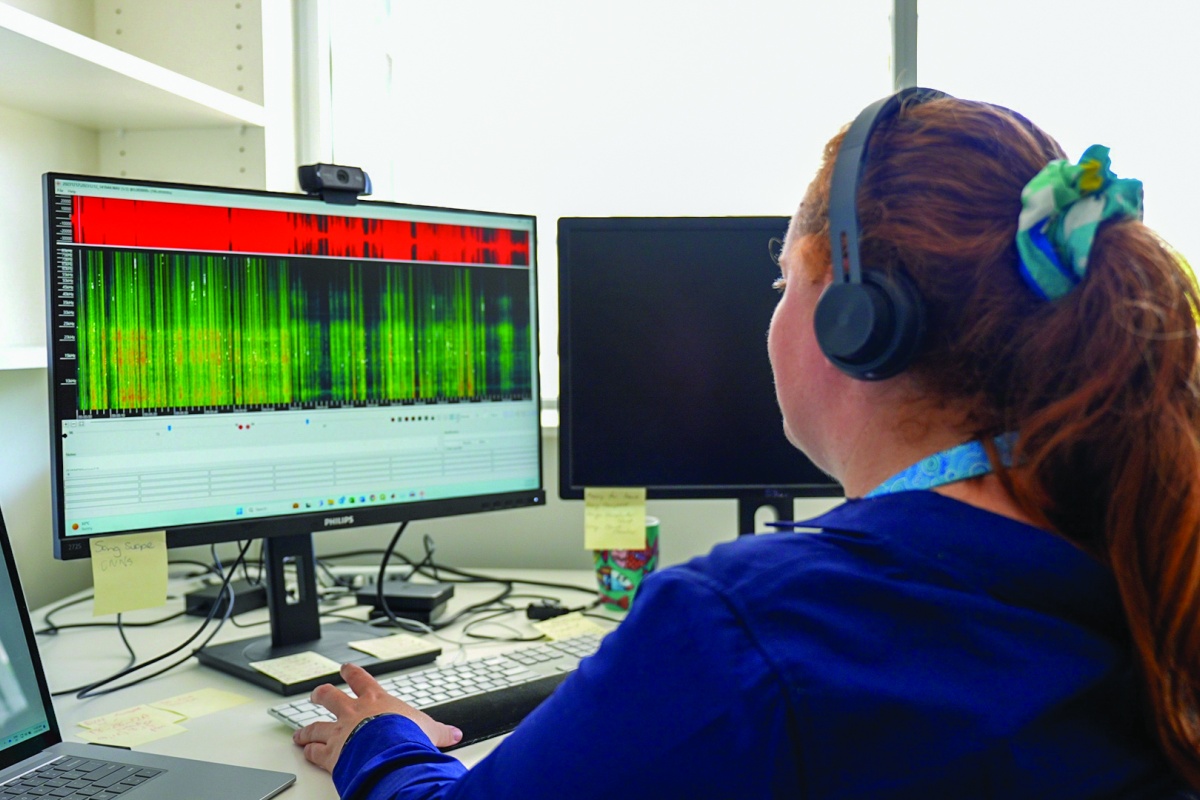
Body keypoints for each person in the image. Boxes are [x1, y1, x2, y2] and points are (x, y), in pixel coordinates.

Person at [292, 91, 1200, 798]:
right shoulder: (1136, 548)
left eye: (780, 280)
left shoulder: (749, 627)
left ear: (855, 321)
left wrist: (385, 744)